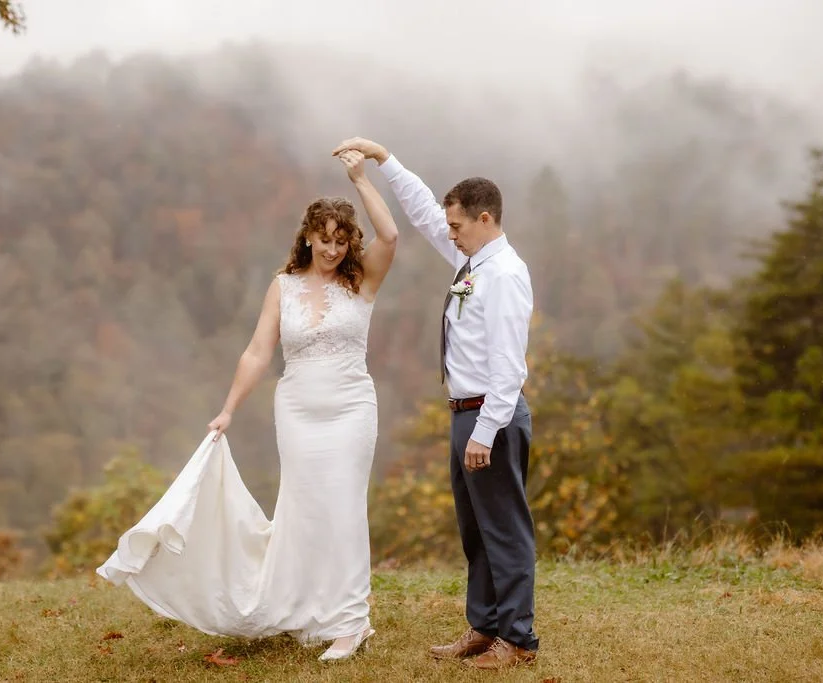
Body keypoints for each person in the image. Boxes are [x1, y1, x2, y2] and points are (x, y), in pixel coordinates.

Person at [96, 149, 398, 663]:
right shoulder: (283, 287)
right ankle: (311, 608)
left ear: (350, 242)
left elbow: (391, 236)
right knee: (304, 509)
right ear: (307, 236)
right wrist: (228, 409)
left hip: (351, 408)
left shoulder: (361, 281)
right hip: (298, 410)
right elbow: (259, 351)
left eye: (340, 239)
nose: (331, 248)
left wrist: (362, 178)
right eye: (323, 238)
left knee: (344, 507)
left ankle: (352, 622)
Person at [332, 137, 538, 670]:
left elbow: (510, 368)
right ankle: (484, 626)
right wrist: (384, 160)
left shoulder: (505, 275)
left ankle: (516, 641)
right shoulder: (472, 259)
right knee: (475, 530)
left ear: (485, 219)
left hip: (490, 415)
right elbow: (425, 213)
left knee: (504, 528)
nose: (449, 233)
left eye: (458, 226)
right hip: (463, 413)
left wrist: (485, 431)